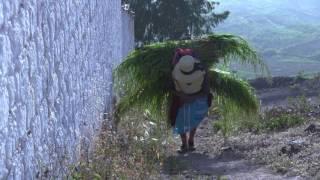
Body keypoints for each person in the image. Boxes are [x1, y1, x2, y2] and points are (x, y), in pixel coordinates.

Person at [169, 48, 212, 153]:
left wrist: (189, 97)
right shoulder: (201, 70)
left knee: (190, 116)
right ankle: (186, 142)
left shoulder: (177, 72)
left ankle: (189, 141)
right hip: (184, 98)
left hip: (192, 98)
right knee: (182, 117)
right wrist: (185, 96)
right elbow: (174, 89)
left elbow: (206, 90)